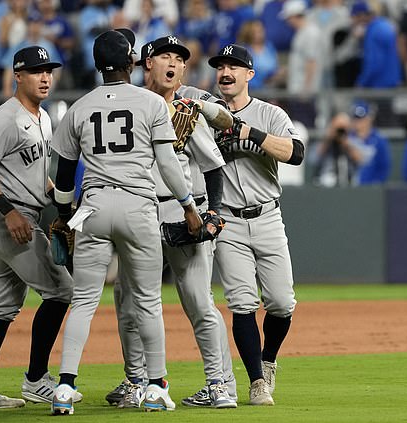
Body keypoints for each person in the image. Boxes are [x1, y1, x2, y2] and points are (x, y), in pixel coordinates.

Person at [49, 28, 202, 415]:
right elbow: (167, 164)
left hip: (95, 206)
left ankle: (65, 387)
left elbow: (64, 178)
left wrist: (67, 217)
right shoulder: (151, 103)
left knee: (83, 301)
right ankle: (155, 387)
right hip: (137, 205)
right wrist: (187, 204)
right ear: (133, 62)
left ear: (99, 65)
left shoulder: (78, 108)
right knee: (148, 302)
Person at [105, 35, 237, 410]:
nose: (174, 63)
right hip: (138, 214)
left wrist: (211, 211)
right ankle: (136, 381)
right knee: (128, 301)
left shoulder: (185, 110)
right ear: (147, 63)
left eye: (179, 59)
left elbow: (213, 165)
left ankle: (219, 385)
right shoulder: (128, 106)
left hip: (184, 214)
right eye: (165, 56)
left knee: (198, 301)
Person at [0, 45, 76, 409]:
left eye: (49, 71)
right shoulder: (6, 118)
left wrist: (64, 204)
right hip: (9, 219)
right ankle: (36, 379)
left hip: (25, 215)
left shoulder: (42, 117)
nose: (45, 77)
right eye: (36, 71)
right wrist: (9, 211)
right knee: (62, 291)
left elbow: (38, 178)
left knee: (2, 308)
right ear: (18, 75)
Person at [208, 43, 305, 406]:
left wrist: (251, 133)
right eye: (220, 66)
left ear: (250, 74)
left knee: (281, 303)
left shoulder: (269, 113)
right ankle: (255, 381)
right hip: (229, 220)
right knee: (242, 303)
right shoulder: (206, 115)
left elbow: (296, 153)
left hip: (267, 215)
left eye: (234, 66)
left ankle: (268, 361)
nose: (226, 72)